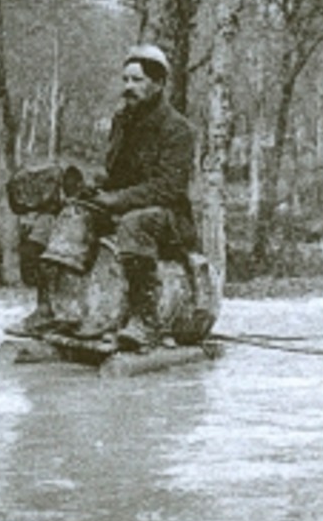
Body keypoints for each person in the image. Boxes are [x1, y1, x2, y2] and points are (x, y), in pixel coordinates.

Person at [13, 43, 198, 352]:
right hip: (123, 203)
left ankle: (145, 320)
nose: (128, 87)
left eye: (137, 80)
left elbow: (170, 187)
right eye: (125, 79)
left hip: (167, 217)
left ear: (159, 83)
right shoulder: (122, 121)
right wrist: (92, 189)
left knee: (135, 222)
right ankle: (53, 309)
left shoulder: (179, 129)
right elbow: (116, 174)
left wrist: (116, 200)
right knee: (61, 216)